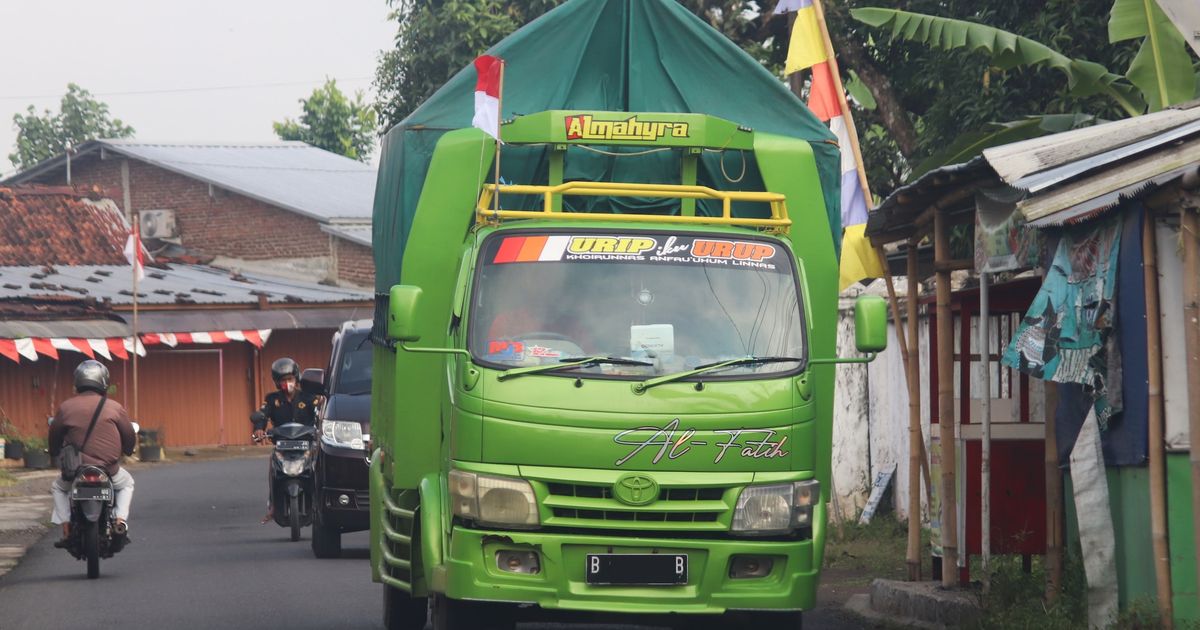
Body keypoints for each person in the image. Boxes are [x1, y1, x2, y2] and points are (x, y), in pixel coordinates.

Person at [48, 360, 137, 546]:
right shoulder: (114, 407)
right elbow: (129, 435)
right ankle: (120, 522)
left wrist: (54, 453)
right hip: (109, 470)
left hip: (76, 470)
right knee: (127, 484)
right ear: (103, 382)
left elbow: (54, 435)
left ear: (78, 382)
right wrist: (128, 450)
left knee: (58, 488)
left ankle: (66, 527)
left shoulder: (66, 407)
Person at [252, 357, 319, 523]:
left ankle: (321, 503)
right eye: (283, 380)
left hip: (306, 447)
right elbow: (262, 414)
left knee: (319, 468)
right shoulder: (271, 399)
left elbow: (319, 413)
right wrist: (259, 428)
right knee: (272, 464)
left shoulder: (309, 398)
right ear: (277, 382)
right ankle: (273, 505)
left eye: (290, 379)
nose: (287, 383)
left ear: (296, 378)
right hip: (282, 448)